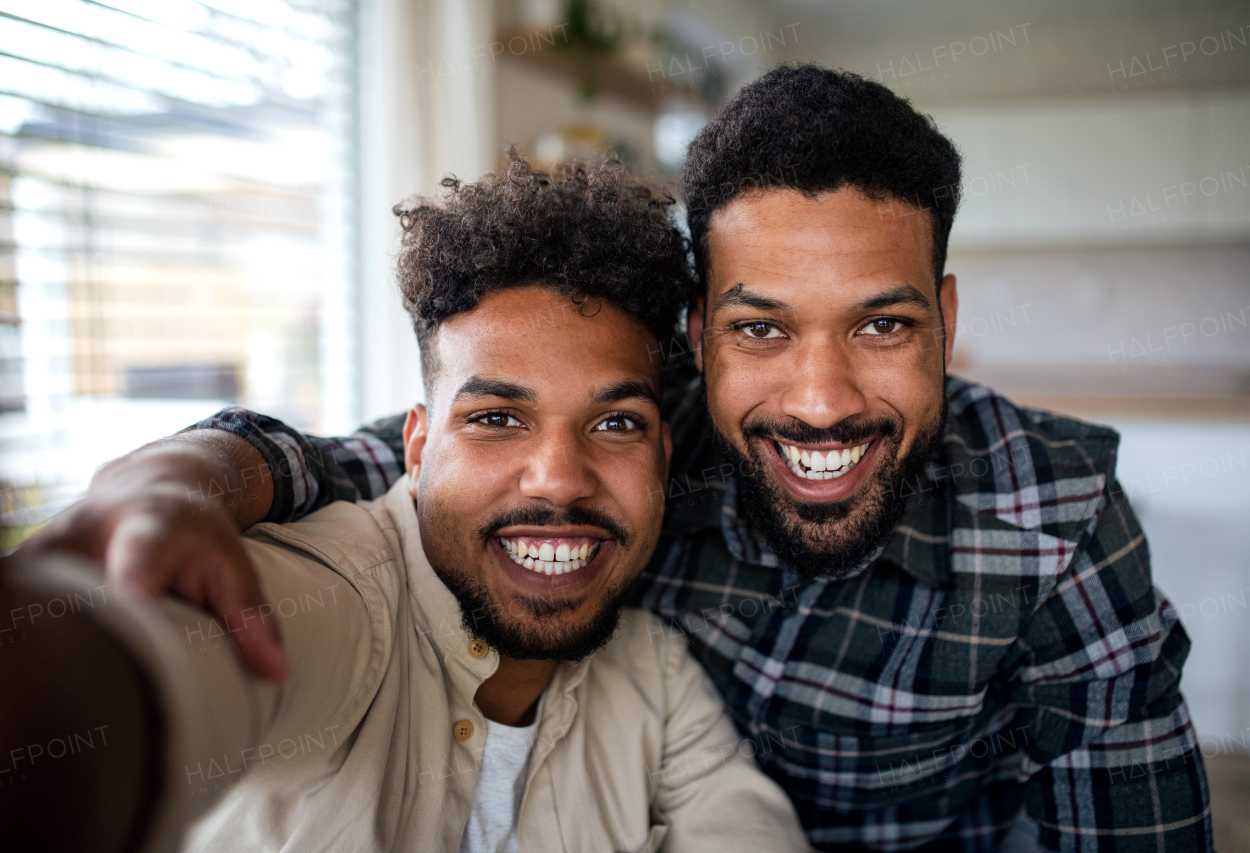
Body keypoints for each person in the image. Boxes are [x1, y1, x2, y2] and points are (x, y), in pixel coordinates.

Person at [28, 66, 1212, 852]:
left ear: (945, 321)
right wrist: (175, 484)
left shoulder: (1047, 519)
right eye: (760, 327)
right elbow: (378, 493)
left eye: (881, 324)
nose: (819, 398)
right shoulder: (617, 448)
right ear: (700, 340)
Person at [3, 159, 810, 853]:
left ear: (663, 458)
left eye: (615, 423)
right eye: (497, 418)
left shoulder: (657, 677)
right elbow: (145, 669)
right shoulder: (338, 597)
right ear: (416, 450)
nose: (560, 480)